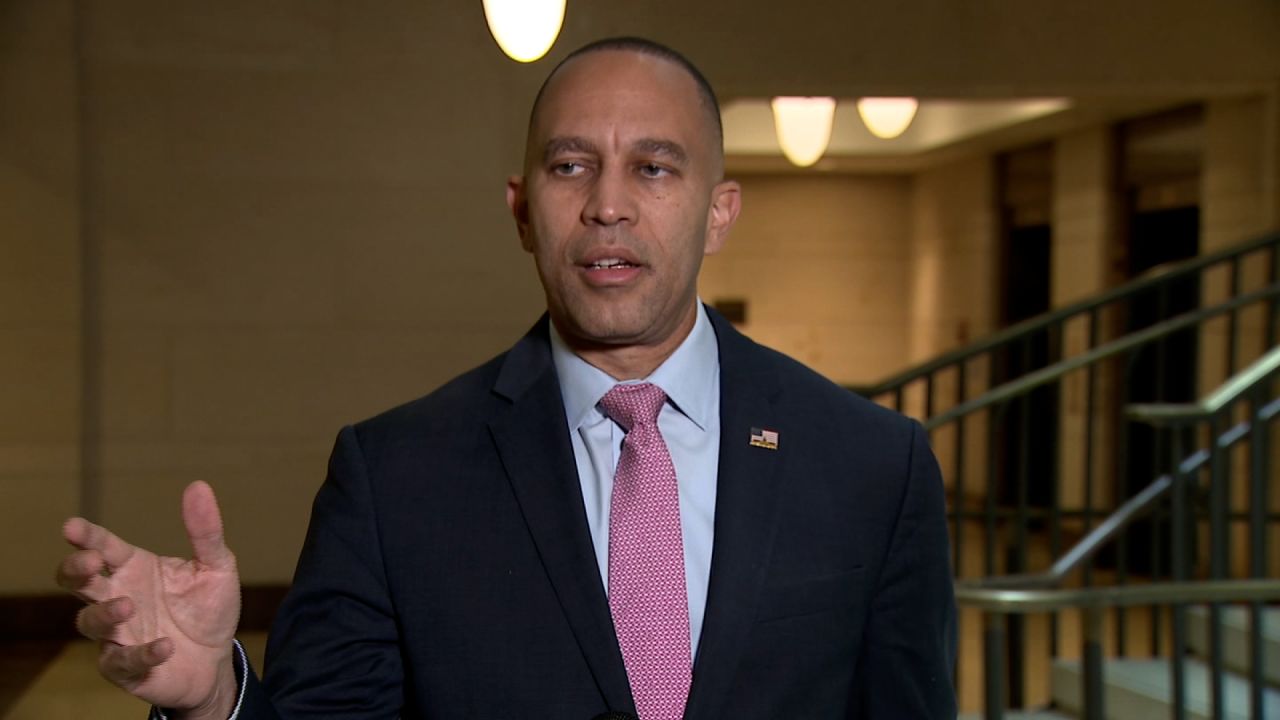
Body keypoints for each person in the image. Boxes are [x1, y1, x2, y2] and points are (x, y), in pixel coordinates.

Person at [57, 37, 956, 719]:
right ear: (523, 212)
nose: (608, 204)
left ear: (719, 212)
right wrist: (215, 695)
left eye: (654, 167)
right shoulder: (394, 476)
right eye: (571, 167)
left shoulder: (873, 463)